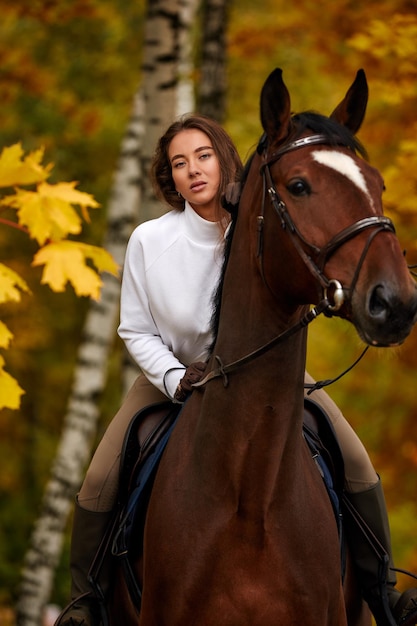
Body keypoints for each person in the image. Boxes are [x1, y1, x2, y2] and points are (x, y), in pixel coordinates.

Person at [55, 114, 417, 626]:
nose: (193, 170)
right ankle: (85, 606)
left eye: (202, 156)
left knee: (355, 462)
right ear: (170, 177)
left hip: (265, 378)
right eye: (179, 163)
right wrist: (174, 377)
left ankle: (385, 595)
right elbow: (135, 330)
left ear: (224, 159)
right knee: (99, 478)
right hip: (174, 377)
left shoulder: (262, 226)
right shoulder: (149, 241)